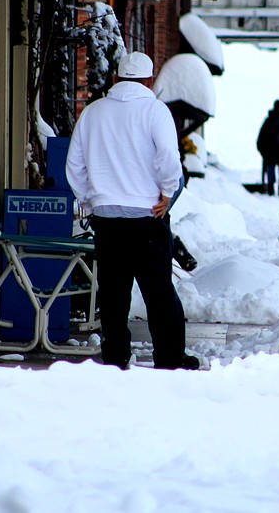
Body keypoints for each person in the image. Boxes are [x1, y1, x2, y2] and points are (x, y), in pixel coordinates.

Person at [65, 51, 200, 370]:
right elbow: (169, 157)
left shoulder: (93, 113)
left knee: (113, 294)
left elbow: (74, 164)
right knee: (159, 294)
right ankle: (169, 356)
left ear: (116, 78)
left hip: (107, 220)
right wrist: (168, 193)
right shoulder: (155, 111)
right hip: (147, 218)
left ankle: (115, 356)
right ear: (150, 81)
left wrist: (89, 201)